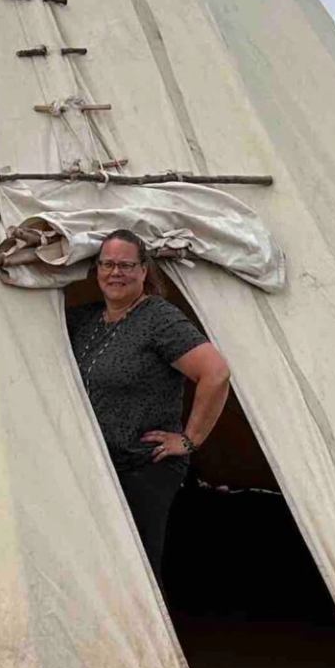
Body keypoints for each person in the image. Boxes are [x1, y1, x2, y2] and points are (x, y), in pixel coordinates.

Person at [67, 229, 231, 578]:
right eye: (107, 264)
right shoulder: (86, 319)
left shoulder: (158, 318)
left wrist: (189, 440)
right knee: (97, 564)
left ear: (144, 270)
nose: (116, 273)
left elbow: (215, 374)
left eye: (126, 265)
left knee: (136, 566)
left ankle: (147, 634)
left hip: (144, 464)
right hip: (98, 464)